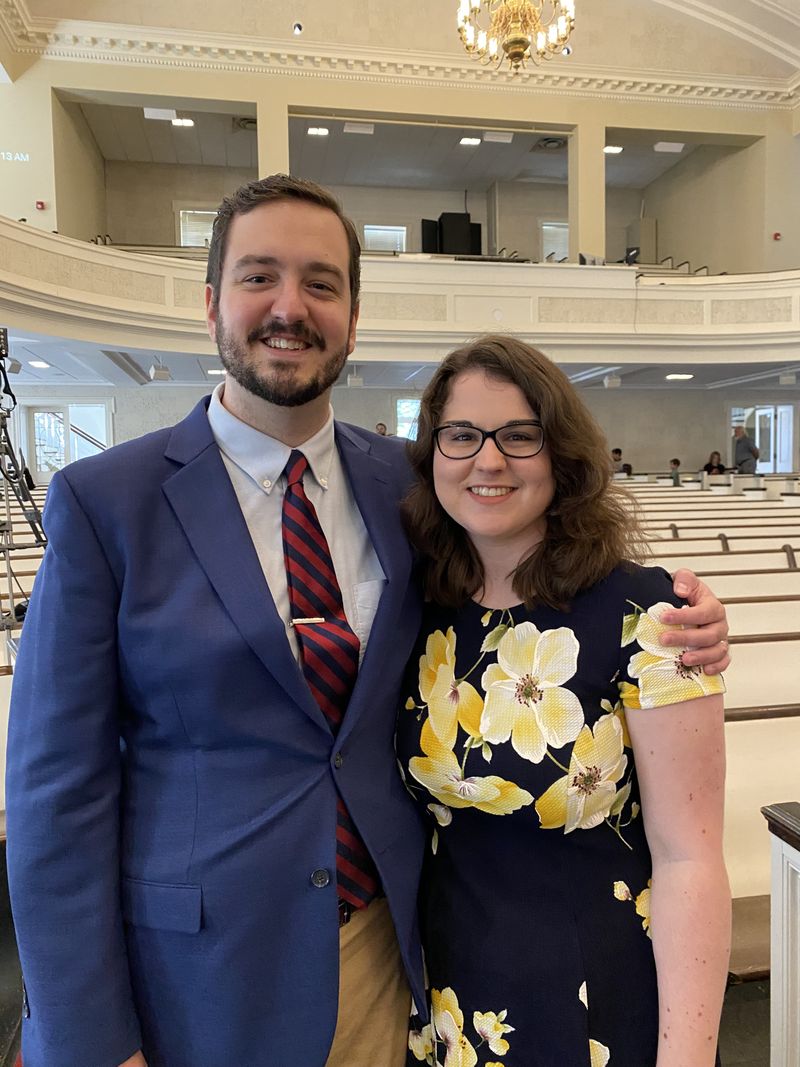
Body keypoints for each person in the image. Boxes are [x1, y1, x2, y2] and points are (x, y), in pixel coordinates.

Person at [6, 178, 730, 1067]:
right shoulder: (107, 502)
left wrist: (679, 617)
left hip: (396, 966)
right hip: (196, 982)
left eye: (321, 283)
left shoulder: (410, 486)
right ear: (210, 303)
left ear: (352, 317)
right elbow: (57, 794)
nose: (290, 307)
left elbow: (523, 596)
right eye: (259, 276)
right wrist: (88, 1041)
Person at [399, 335, 730, 1067]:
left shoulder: (650, 615)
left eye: (520, 436)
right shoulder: (422, 607)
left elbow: (691, 859)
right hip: (450, 993)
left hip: (595, 995)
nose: (489, 460)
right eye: (462, 435)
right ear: (433, 455)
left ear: (562, 454)